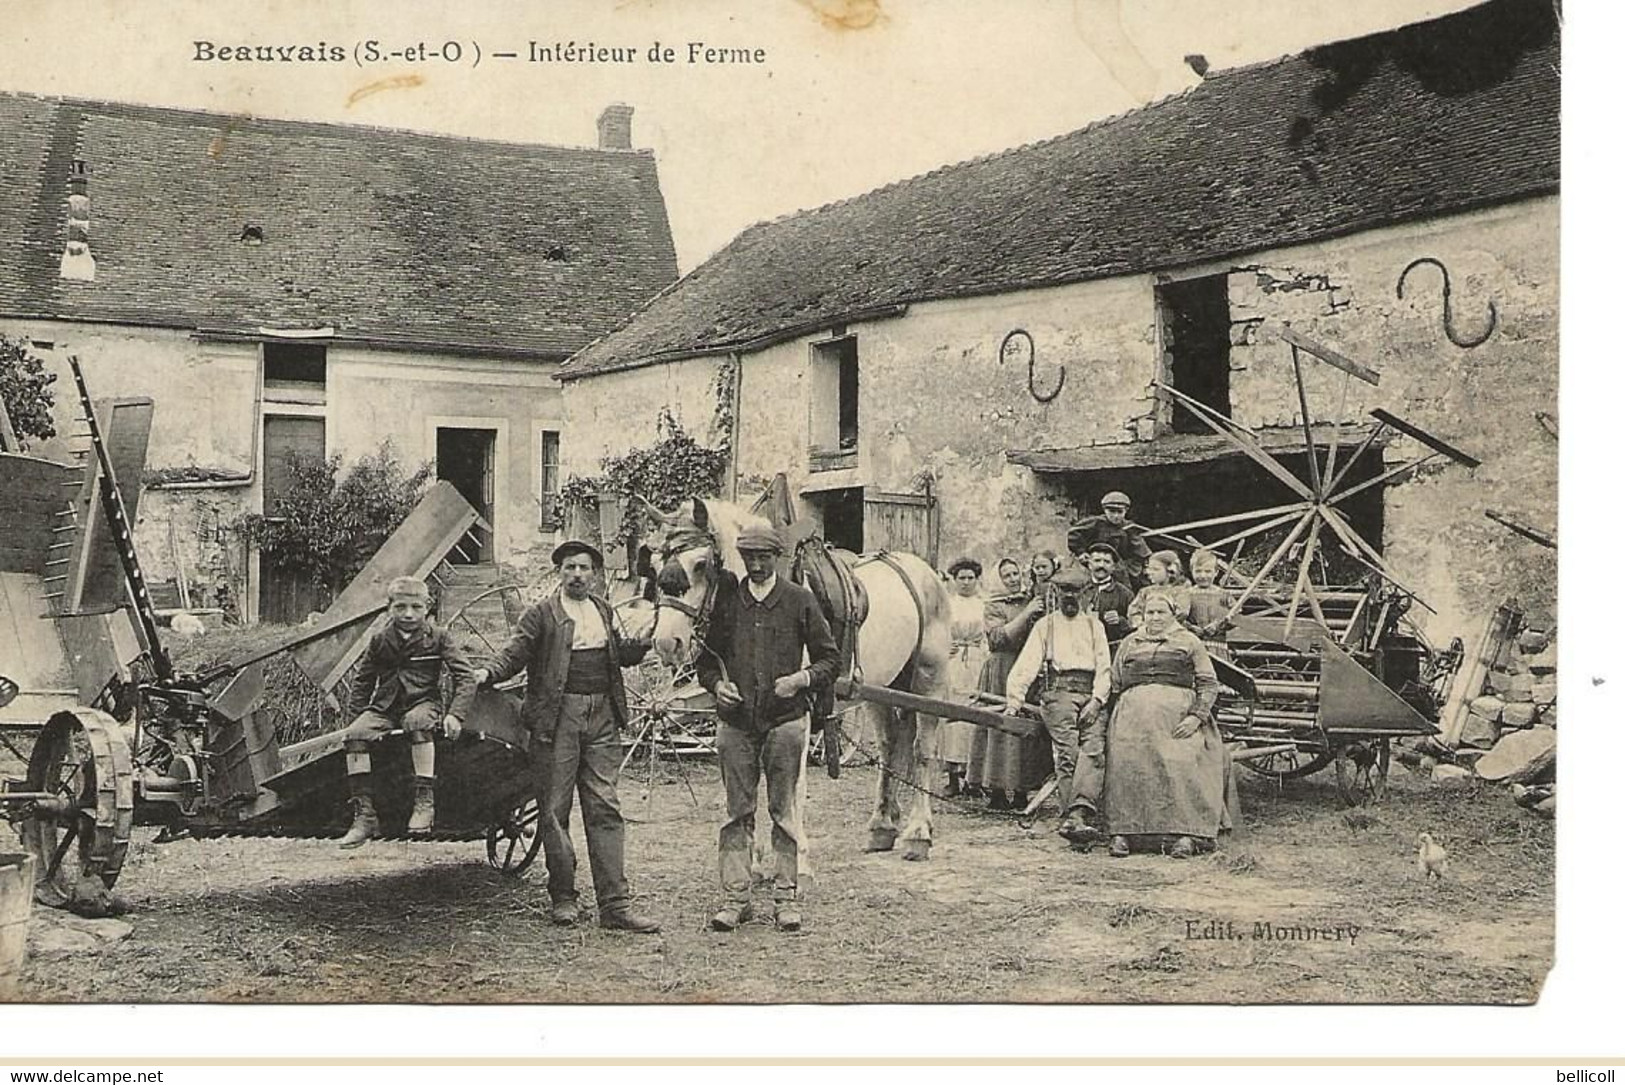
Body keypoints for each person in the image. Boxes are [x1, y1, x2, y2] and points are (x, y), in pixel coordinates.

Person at [474, 540, 661, 933]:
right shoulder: (542, 614)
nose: (578, 574)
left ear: (595, 574)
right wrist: (487, 674)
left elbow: (617, 656)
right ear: (559, 572)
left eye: (585, 568)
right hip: (557, 720)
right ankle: (563, 897)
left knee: (605, 806)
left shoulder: (603, 610)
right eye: (570, 567)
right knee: (555, 810)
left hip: (603, 718)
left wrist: (644, 643)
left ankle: (615, 906)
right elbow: (514, 653)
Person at [697, 523, 840, 933]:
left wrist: (800, 680)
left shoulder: (799, 600)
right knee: (736, 811)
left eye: (764, 557)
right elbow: (705, 660)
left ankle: (785, 897)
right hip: (737, 723)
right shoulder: (728, 603)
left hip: (785, 722)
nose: (756, 565)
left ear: (777, 558)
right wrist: (717, 685)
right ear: (741, 558)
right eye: (749, 558)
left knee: (783, 810)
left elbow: (830, 660)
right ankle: (735, 897)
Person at [338, 576, 474, 848]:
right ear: (389, 608)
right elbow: (363, 681)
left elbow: (466, 677)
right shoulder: (379, 640)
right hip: (385, 707)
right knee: (354, 734)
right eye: (400, 607)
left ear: (427, 607)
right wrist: (357, 717)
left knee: (416, 722)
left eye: (416, 607)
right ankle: (365, 816)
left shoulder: (439, 637)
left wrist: (455, 714)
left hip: (423, 703)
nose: (408, 614)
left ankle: (424, 802)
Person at [1100, 591, 1236, 859]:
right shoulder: (1130, 642)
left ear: (1173, 615)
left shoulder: (1189, 641)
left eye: (1161, 612)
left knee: (1181, 763)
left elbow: (1208, 684)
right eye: (1150, 612)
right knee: (1127, 762)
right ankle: (1124, 832)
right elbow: (1115, 680)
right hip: (1132, 719)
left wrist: (1196, 717)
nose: (1155, 617)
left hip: (1178, 719)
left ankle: (1186, 834)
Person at [1004, 566, 1112, 845]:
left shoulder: (1094, 625)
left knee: (1095, 750)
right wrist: (1014, 701)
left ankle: (1079, 814)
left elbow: (1104, 668)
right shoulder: (1046, 625)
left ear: (1086, 594)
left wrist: (1098, 701)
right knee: (1069, 752)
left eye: (1075, 591)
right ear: (1055, 593)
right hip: (1057, 693)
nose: (1070, 597)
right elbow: (1026, 664)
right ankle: (1074, 816)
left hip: (1089, 693)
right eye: (1064, 591)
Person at [968, 558, 1052, 810]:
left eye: (1016, 573)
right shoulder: (994, 606)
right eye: (1007, 576)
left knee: (1024, 728)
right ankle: (994, 789)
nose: (1013, 579)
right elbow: (997, 639)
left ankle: (1021, 789)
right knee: (998, 727)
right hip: (1002, 669)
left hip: (1027, 667)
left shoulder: (1032, 599)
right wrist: (1026, 614)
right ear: (998, 580)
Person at [940, 557, 987, 795]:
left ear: (977, 580)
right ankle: (952, 777)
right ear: (954, 580)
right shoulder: (947, 604)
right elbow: (937, 631)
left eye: (970, 578)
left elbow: (990, 634)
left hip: (978, 660)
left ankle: (973, 778)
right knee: (953, 717)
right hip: (954, 661)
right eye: (962, 578)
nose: (966, 582)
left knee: (975, 715)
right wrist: (943, 647)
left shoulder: (984, 605)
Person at [1066, 491, 1153, 589]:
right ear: (1104, 510)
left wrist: (1134, 566)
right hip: (1095, 562)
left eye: (1120, 512)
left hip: (1118, 566)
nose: (1116, 516)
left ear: (1126, 511)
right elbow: (1074, 533)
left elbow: (1141, 549)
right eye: (1112, 511)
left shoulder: (1129, 527)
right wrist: (1081, 552)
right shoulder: (1096, 522)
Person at [1184, 548, 1235, 659]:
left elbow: (1236, 616)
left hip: (1217, 646)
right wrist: (1190, 627)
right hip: (1192, 646)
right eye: (1198, 571)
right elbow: (1176, 618)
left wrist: (1218, 625)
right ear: (1191, 571)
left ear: (1216, 572)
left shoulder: (1223, 595)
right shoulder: (1186, 594)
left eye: (1207, 571)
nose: (1203, 575)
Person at [1083, 542, 1137, 646]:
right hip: (1082, 648)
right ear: (1089, 564)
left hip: (1112, 648)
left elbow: (1136, 625)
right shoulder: (1080, 591)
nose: (1101, 565)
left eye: (1107, 562)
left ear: (1113, 567)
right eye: (1097, 561)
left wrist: (1120, 621)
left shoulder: (1125, 594)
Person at [1128, 550, 1192, 628]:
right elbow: (1134, 611)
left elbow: (1182, 613)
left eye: (1156, 569)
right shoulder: (1145, 592)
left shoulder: (1179, 592)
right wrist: (1140, 624)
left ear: (1170, 571)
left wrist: (1162, 625)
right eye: (1149, 569)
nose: (1151, 572)